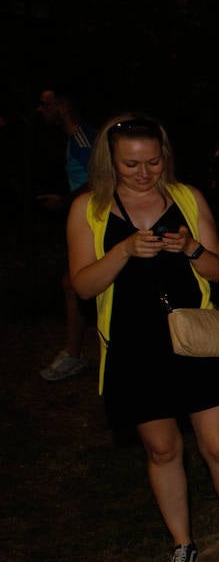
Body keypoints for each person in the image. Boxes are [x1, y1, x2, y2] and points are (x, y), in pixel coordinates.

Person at [67, 114, 219, 562]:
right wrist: (124, 251)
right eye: (130, 163)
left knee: (218, 444)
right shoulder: (88, 209)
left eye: (152, 161)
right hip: (134, 347)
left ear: (164, 156)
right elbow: (83, 284)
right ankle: (182, 543)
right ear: (110, 161)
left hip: (197, 338)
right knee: (162, 448)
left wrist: (193, 247)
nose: (142, 172)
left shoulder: (186, 198)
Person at [37, 87, 97, 382]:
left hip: (97, 222)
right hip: (85, 222)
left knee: (76, 283)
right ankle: (75, 352)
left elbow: (100, 178)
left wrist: (64, 200)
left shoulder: (84, 138)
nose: (40, 109)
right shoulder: (75, 139)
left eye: (45, 104)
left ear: (62, 106)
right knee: (74, 284)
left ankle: (75, 355)